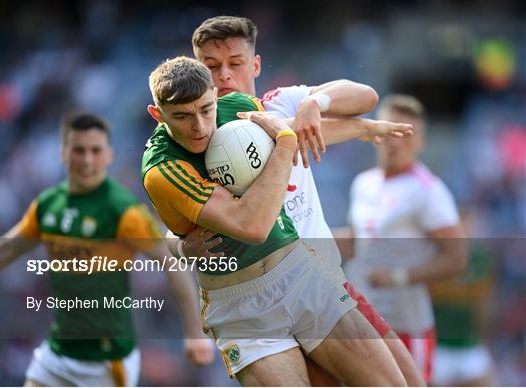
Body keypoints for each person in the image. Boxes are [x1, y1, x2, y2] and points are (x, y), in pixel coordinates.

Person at [188, 15, 425, 386]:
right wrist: (182, 246)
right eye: (211, 66)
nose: (224, 76)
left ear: (255, 65)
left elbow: (365, 96)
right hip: (259, 307)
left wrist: (315, 102)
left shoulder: (278, 106)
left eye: (235, 64)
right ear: (196, 71)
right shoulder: (191, 142)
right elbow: (172, 227)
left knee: (411, 381)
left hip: (326, 286)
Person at [0, 112, 212, 386]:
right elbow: (6, 250)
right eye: (79, 150)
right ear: (64, 153)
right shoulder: (49, 205)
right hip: (58, 350)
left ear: (108, 155)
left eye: (95, 150)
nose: (87, 159)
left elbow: (172, 264)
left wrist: (194, 333)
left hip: (106, 360)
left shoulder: (122, 210)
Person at [343, 94, 468, 383]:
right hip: (362, 322)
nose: (396, 141)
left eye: (406, 134)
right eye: (392, 131)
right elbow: (356, 240)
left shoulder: (428, 190)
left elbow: (457, 258)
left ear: (420, 142)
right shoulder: (363, 183)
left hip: (406, 326)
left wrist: (398, 276)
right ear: (377, 133)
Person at [430, 208, 495, 386]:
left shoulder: (480, 259)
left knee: (484, 379)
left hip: (469, 343)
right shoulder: (435, 255)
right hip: (439, 345)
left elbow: (483, 304)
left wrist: (484, 340)